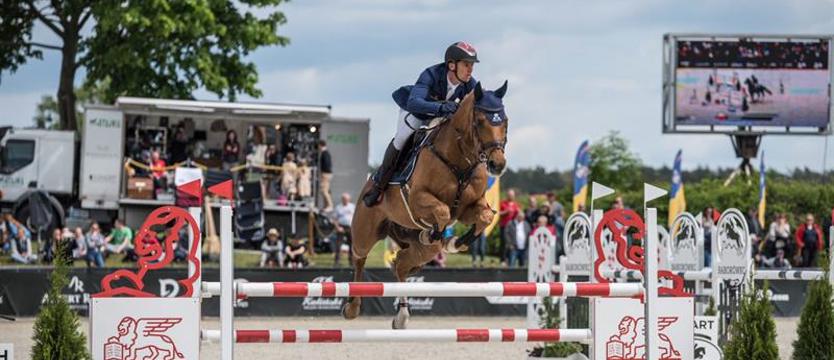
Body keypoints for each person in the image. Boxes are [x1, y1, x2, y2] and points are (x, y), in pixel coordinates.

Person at [363, 41, 479, 207]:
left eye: (472, 65)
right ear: (452, 65)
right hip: (416, 112)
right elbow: (414, 102)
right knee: (402, 138)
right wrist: (441, 107)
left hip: (441, 118)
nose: (470, 70)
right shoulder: (430, 74)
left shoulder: (470, 84)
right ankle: (379, 185)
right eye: (466, 65)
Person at [498, 189, 520, 266]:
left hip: (512, 227)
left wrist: (518, 213)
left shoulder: (516, 204)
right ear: (507, 195)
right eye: (509, 195)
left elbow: (519, 214)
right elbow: (498, 213)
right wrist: (505, 212)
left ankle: (510, 259)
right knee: (504, 242)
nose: (511, 196)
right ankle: (503, 259)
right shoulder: (503, 203)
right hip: (504, 226)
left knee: (511, 243)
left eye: (512, 195)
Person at [333, 193, 355, 267]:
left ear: (349, 199)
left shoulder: (352, 207)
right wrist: (337, 227)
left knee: (351, 245)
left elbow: (356, 217)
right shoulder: (338, 207)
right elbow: (335, 219)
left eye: (346, 199)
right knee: (338, 245)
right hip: (341, 227)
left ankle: (351, 262)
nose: (345, 200)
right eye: (344, 199)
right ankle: (337, 262)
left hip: (350, 227)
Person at [317, 140, 334, 211]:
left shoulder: (325, 153)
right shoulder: (326, 153)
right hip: (327, 173)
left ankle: (330, 206)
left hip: (326, 174)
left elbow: (326, 164)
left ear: (320, 145)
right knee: (325, 190)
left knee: (324, 190)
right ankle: (326, 205)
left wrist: (323, 173)